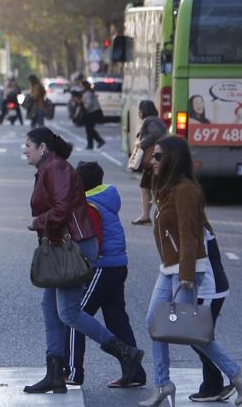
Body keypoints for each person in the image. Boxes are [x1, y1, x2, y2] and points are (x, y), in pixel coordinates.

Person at [21, 127, 142, 395]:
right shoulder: (49, 167)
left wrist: (37, 222)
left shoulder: (56, 168)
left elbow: (62, 209)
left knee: (69, 312)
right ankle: (54, 373)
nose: (24, 150)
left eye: (28, 145)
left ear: (43, 148)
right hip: (62, 245)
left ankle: (126, 353)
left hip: (74, 245)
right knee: (49, 307)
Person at [140, 136, 242, 407]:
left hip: (185, 269)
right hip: (169, 268)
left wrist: (186, 274)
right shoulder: (167, 186)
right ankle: (162, 384)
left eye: (158, 157)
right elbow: (146, 173)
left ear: (173, 159)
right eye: (153, 156)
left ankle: (236, 373)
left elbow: (188, 234)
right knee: (154, 323)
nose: (153, 161)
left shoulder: (185, 190)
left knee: (188, 331)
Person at [64, 161, 145, 388]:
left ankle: (73, 371)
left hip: (101, 267)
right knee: (117, 320)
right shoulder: (105, 198)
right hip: (117, 265)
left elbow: (93, 244)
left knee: (75, 315)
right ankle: (135, 374)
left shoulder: (88, 205)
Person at [189, 222, 235, 402]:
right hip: (207, 289)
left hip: (208, 289)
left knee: (197, 338)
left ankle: (227, 378)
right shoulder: (196, 221)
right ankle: (212, 384)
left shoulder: (194, 224)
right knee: (200, 338)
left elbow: (191, 261)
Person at [131, 99, 167, 226]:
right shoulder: (157, 120)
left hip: (153, 160)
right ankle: (146, 216)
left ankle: (150, 216)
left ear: (143, 111)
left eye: (139, 110)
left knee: (153, 188)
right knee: (147, 187)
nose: (139, 113)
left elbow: (155, 134)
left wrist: (142, 143)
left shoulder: (150, 121)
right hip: (156, 159)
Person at [78, 79, 106, 149]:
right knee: (89, 129)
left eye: (81, 86)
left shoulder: (87, 93)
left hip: (92, 112)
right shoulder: (89, 92)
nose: (80, 87)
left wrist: (82, 103)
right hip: (93, 112)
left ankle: (97, 142)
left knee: (89, 129)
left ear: (84, 86)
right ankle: (92, 144)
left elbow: (89, 104)